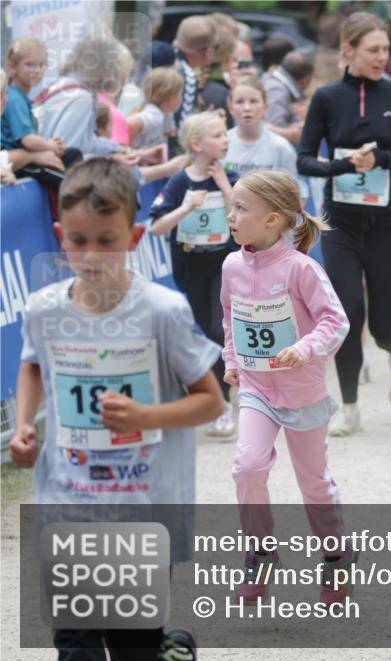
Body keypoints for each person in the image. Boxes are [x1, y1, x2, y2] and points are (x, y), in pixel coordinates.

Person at [9, 157, 221, 661]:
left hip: (139, 510)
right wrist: (22, 425)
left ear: (136, 235)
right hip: (67, 503)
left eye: (107, 240)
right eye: (79, 240)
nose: (91, 254)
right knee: (76, 655)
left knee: (136, 655)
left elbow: (210, 400)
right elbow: (33, 365)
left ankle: (170, 655)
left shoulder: (162, 311)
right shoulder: (44, 308)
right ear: (60, 234)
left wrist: (145, 417)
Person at [221, 170, 354, 603]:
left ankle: (336, 554)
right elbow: (231, 320)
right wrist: (232, 361)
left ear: (273, 219)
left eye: (241, 208)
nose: (231, 215)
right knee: (248, 466)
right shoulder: (231, 266)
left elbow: (336, 321)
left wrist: (307, 346)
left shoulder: (302, 269)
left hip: (302, 392)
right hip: (257, 389)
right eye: (232, 207)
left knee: (313, 482)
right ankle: (259, 550)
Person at [297, 12, 391, 436]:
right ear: (348, 50)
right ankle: (349, 406)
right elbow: (304, 159)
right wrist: (340, 165)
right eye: (373, 50)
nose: (382, 57)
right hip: (341, 223)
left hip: (386, 222)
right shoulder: (328, 97)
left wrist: (380, 160)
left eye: (385, 50)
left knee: (385, 324)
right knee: (346, 314)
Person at [150, 112, 239, 438]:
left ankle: (223, 405)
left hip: (225, 264)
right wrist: (186, 207)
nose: (225, 140)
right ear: (196, 144)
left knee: (219, 328)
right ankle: (223, 391)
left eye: (225, 135)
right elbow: (157, 227)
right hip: (191, 266)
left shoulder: (230, 175)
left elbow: (241, 218)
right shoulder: (180, 181)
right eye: (218, 135)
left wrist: (225, 188)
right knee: (207, 331)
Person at [2, 37, 79, 189]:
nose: (37, 70)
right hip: (15, 162)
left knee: (73, 155)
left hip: (24, 154)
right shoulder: (14, 98)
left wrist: (51, 145)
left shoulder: (22, 97)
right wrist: (50, 145)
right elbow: (28, 141)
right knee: (70, 184)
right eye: (30, 64)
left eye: (41, 65)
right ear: (13, 67)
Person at [223, 75, 308, 202]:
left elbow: (299, 193)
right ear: (231, 108)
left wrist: (285, 221)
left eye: (253, 101)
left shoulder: (280, 146)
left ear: (265, 107)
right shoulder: (221, 143)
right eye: (240, 102)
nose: (247, 108)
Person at [263, 51, 313, 146]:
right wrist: (297, 123)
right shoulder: (278, 91)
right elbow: (274, 129)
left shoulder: (275, 84)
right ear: (306, 79)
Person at [129, 67, 184, 150]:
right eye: (180, 94)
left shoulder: (167, 114)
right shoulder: (153, 115)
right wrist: (125, 149)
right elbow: (130, 123)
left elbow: (168, 132)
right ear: (172, 99)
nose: (182, 98)